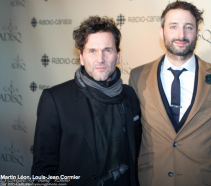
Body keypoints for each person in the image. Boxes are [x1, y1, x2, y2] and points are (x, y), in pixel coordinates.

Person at [129, 0, 211, 186]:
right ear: (162, 32)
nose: (181, 34)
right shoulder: (138, 76)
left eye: (188, 27)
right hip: (150, 181)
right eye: (173, 26)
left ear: (197, 33)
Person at [31, 16, 141, 186]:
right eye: (92, 51)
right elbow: (42, 170)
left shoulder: (129, 95)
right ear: (81, 57)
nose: (100, 58)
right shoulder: (55, 100)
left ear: (118, 56)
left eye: (108, 50)